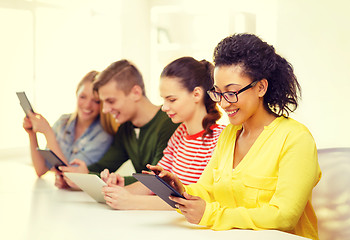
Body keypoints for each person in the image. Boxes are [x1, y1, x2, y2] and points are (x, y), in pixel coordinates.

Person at [147, 34, 322, 240]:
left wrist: (212, 215)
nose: (223, 103)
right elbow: (208, 190)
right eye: (218, 93)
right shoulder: (229, 134)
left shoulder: (295, 138)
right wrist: (180, 190)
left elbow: (284, 216)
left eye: (231, 92)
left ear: (261, 87)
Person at [101, 57, 226, 210]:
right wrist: (117, 192)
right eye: (163, 100)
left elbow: (194, 201)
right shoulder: (179, 135)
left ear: (196, 94)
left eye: (171, 100)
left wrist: (131, 201)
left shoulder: (220, 140)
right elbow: (153, 184)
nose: (164, 107)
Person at [59, 59, 179, 187]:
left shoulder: (169, 123)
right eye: (103, 102)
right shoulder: (126, 129)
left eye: (111, 101)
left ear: (136, 93)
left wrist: (88, 177)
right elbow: (103, 166)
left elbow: (156, 181)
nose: (105, 110)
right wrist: (76, 176)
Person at [23, 71, 114, 186]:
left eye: (95, 101)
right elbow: (41, 170)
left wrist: (48, 133)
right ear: (76, 95)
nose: (87, 105)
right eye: (83, 97)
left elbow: (73, 176)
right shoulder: (63, 122)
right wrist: (31, 134)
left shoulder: (103, 135)